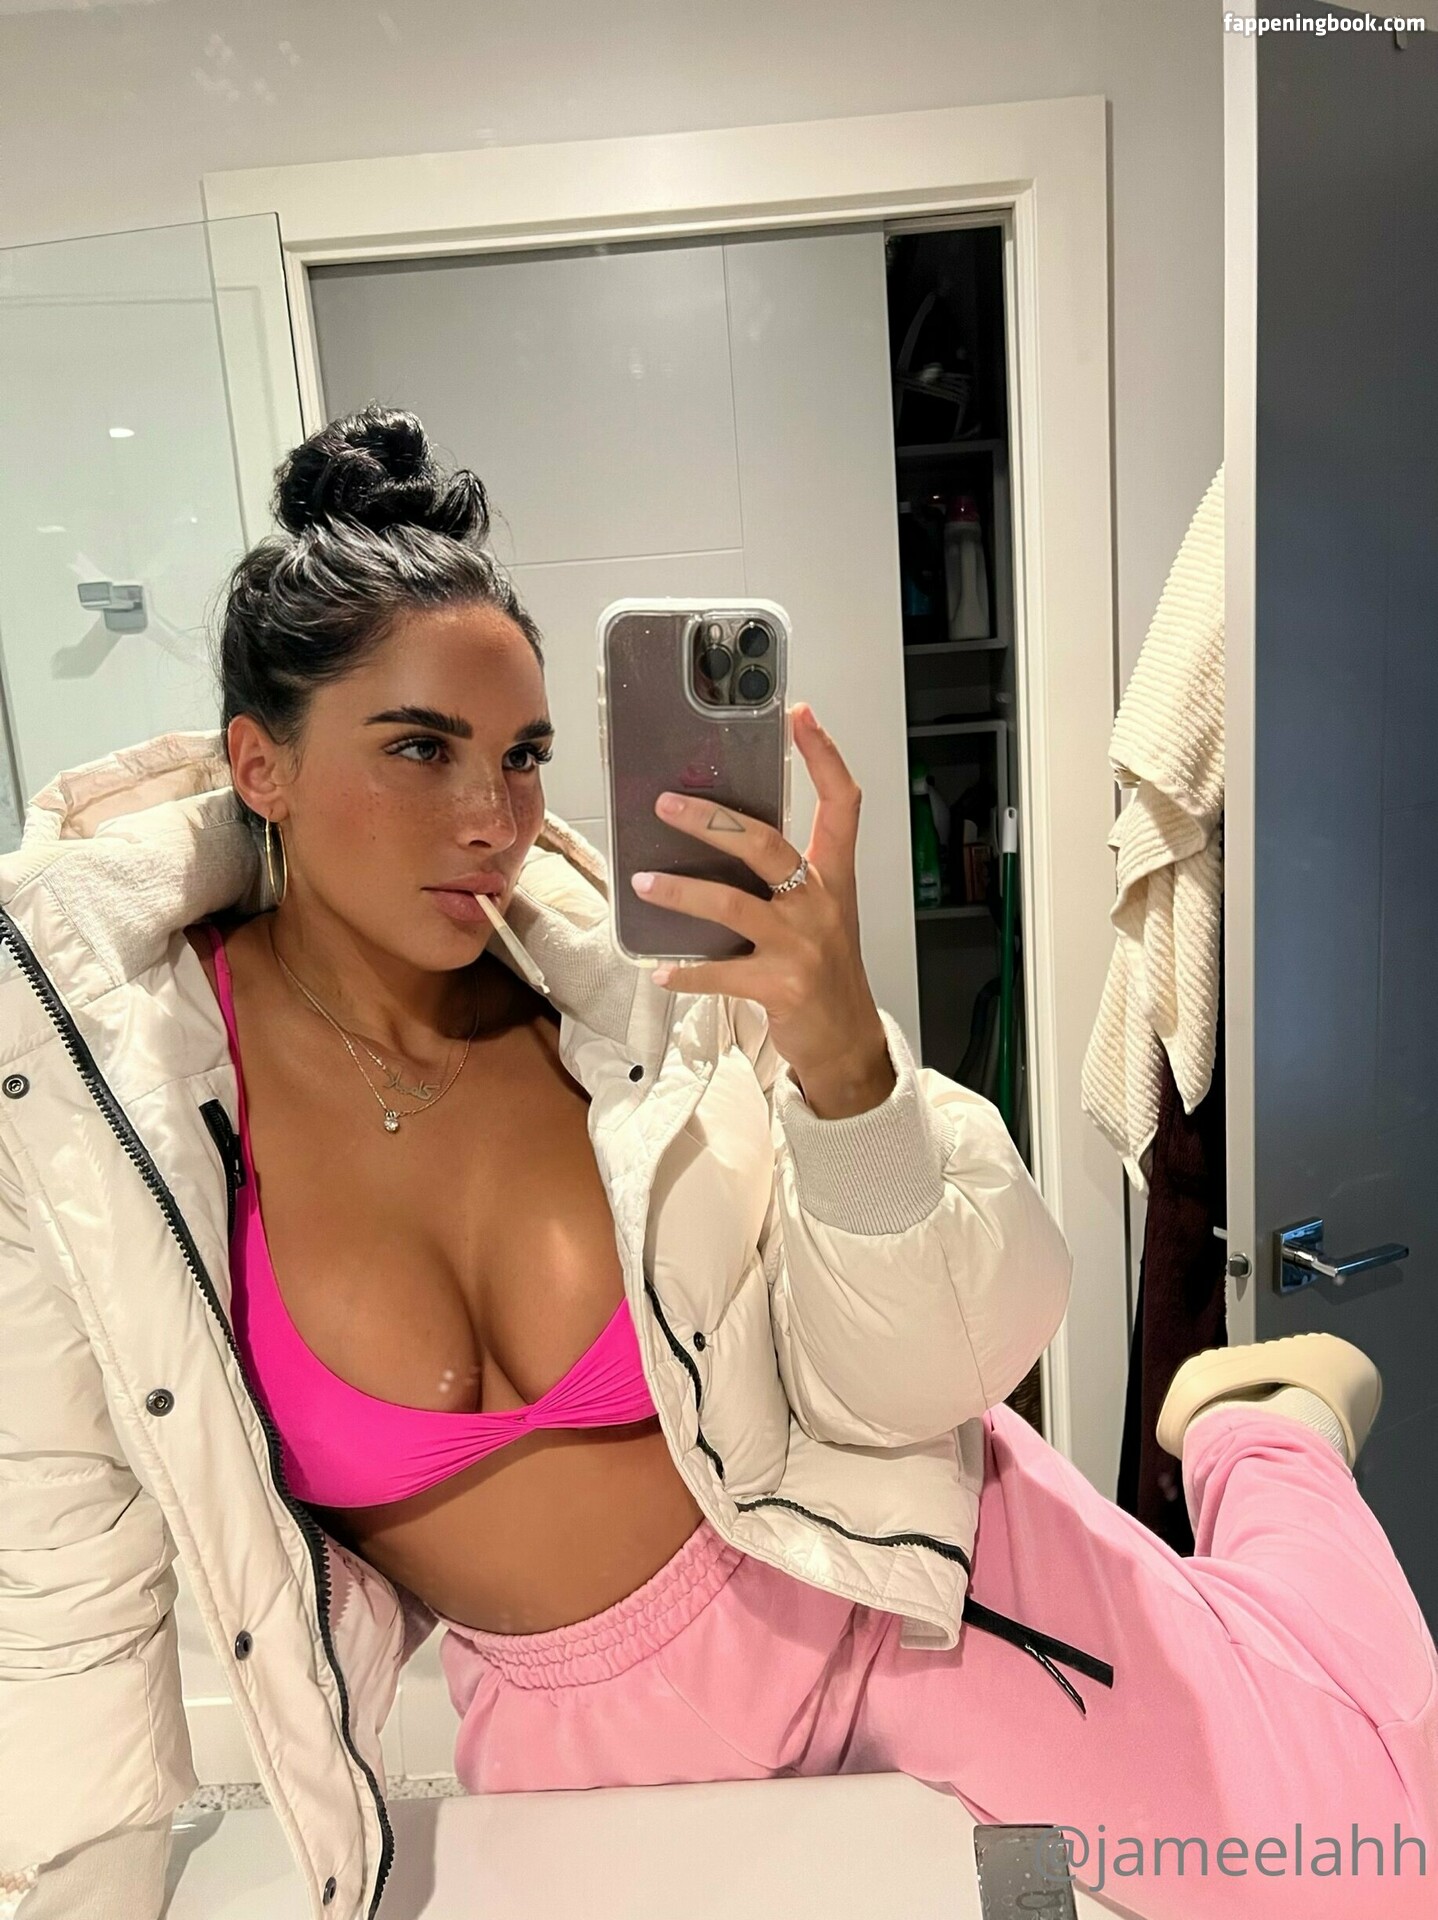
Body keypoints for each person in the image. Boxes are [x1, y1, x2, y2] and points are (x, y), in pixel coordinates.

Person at [0, 407, 1433, 1920]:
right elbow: (60, 1574)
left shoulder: (653, 1002)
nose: (493, 820)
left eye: (523, 757)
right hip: (579, 1746)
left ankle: (1261, 1432)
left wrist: (845, 1061)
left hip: (895, 1594)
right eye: (420, 749)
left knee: (1372, 1858)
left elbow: (940, 1367)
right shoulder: (96, 1110)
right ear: (260, 764)